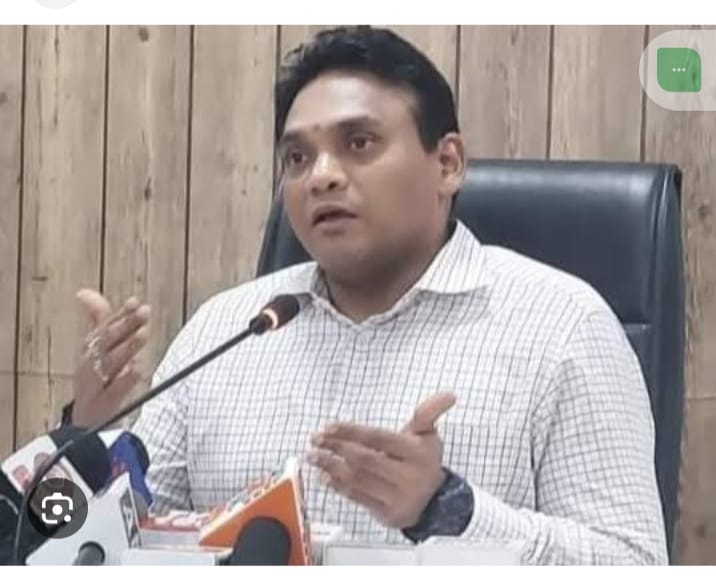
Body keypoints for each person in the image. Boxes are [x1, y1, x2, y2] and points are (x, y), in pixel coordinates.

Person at [68, 26, 667, 564]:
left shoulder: (563, 324)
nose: (321, 175)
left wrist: (445, 508)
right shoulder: (229, 326)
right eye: (297, 157)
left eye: (358, 143)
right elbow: (133, 537)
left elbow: (632, 563)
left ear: (448, 163)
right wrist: (86, 439)